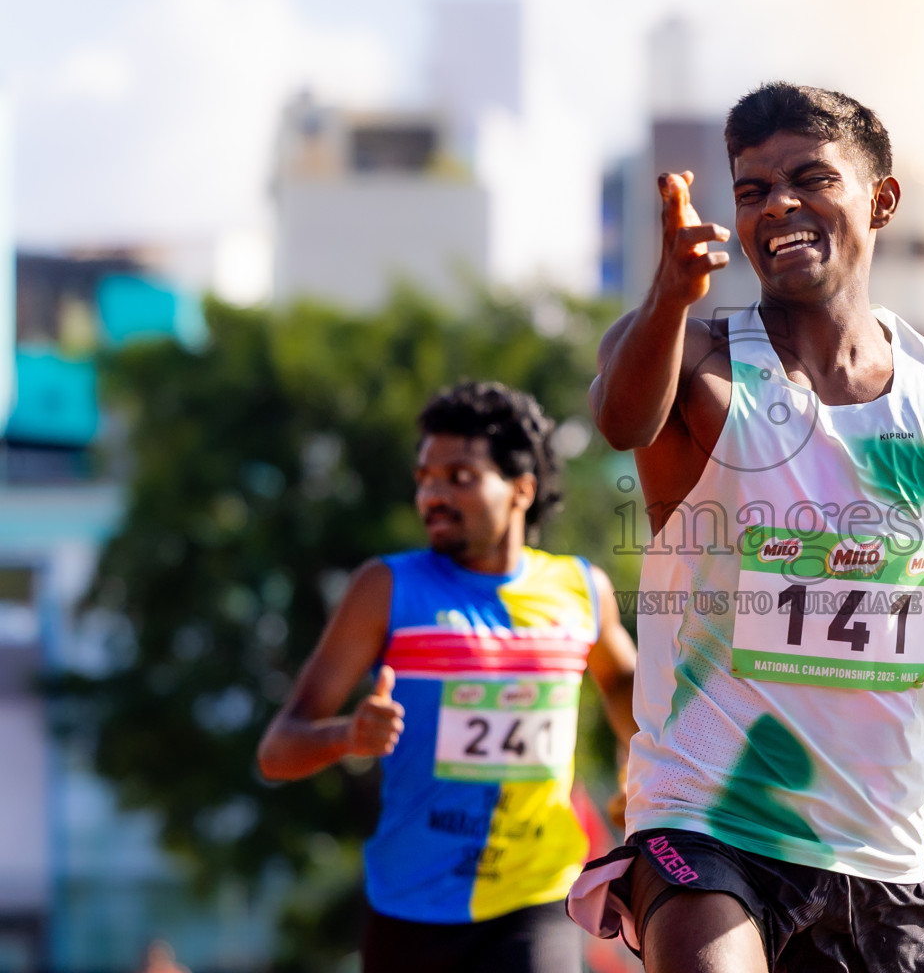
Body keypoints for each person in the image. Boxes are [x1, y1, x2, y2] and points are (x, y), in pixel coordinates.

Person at [567, 84, 924, 973]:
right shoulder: (695, 355)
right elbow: (621, 420)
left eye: (810, 179)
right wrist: (671, 294)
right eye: (753, 190)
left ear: (882, 201)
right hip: (706, 823)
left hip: (878, 856)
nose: (777, 205)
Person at [258, 381, 639, 973]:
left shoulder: (582, 590)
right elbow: (277, 752)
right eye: (425, 479)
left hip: (537, 894)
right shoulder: (386, 590)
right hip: (412, 910)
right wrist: (347, 737)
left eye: (459, 477)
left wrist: (637, 772)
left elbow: (624, 687)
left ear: (521, 489)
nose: (433, 495)